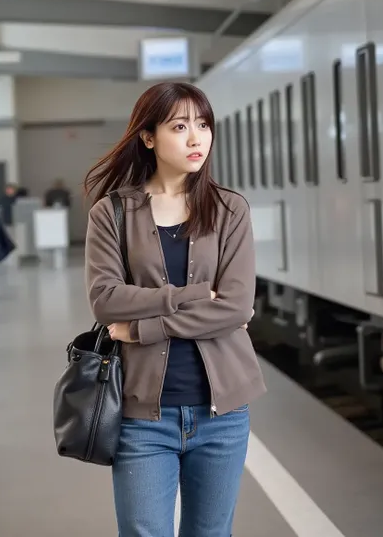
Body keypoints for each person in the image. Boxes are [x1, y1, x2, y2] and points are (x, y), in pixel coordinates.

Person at [85, 82, 266, 537]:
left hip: (221, 416)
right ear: (148, 137)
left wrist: (141, 329)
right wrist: (192, 295)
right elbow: (106, 300)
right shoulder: (112, 213)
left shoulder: (230, 209)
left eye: (203, 125)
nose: (196, 139)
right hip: (143, 418)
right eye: (180, 126)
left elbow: (237, 305)